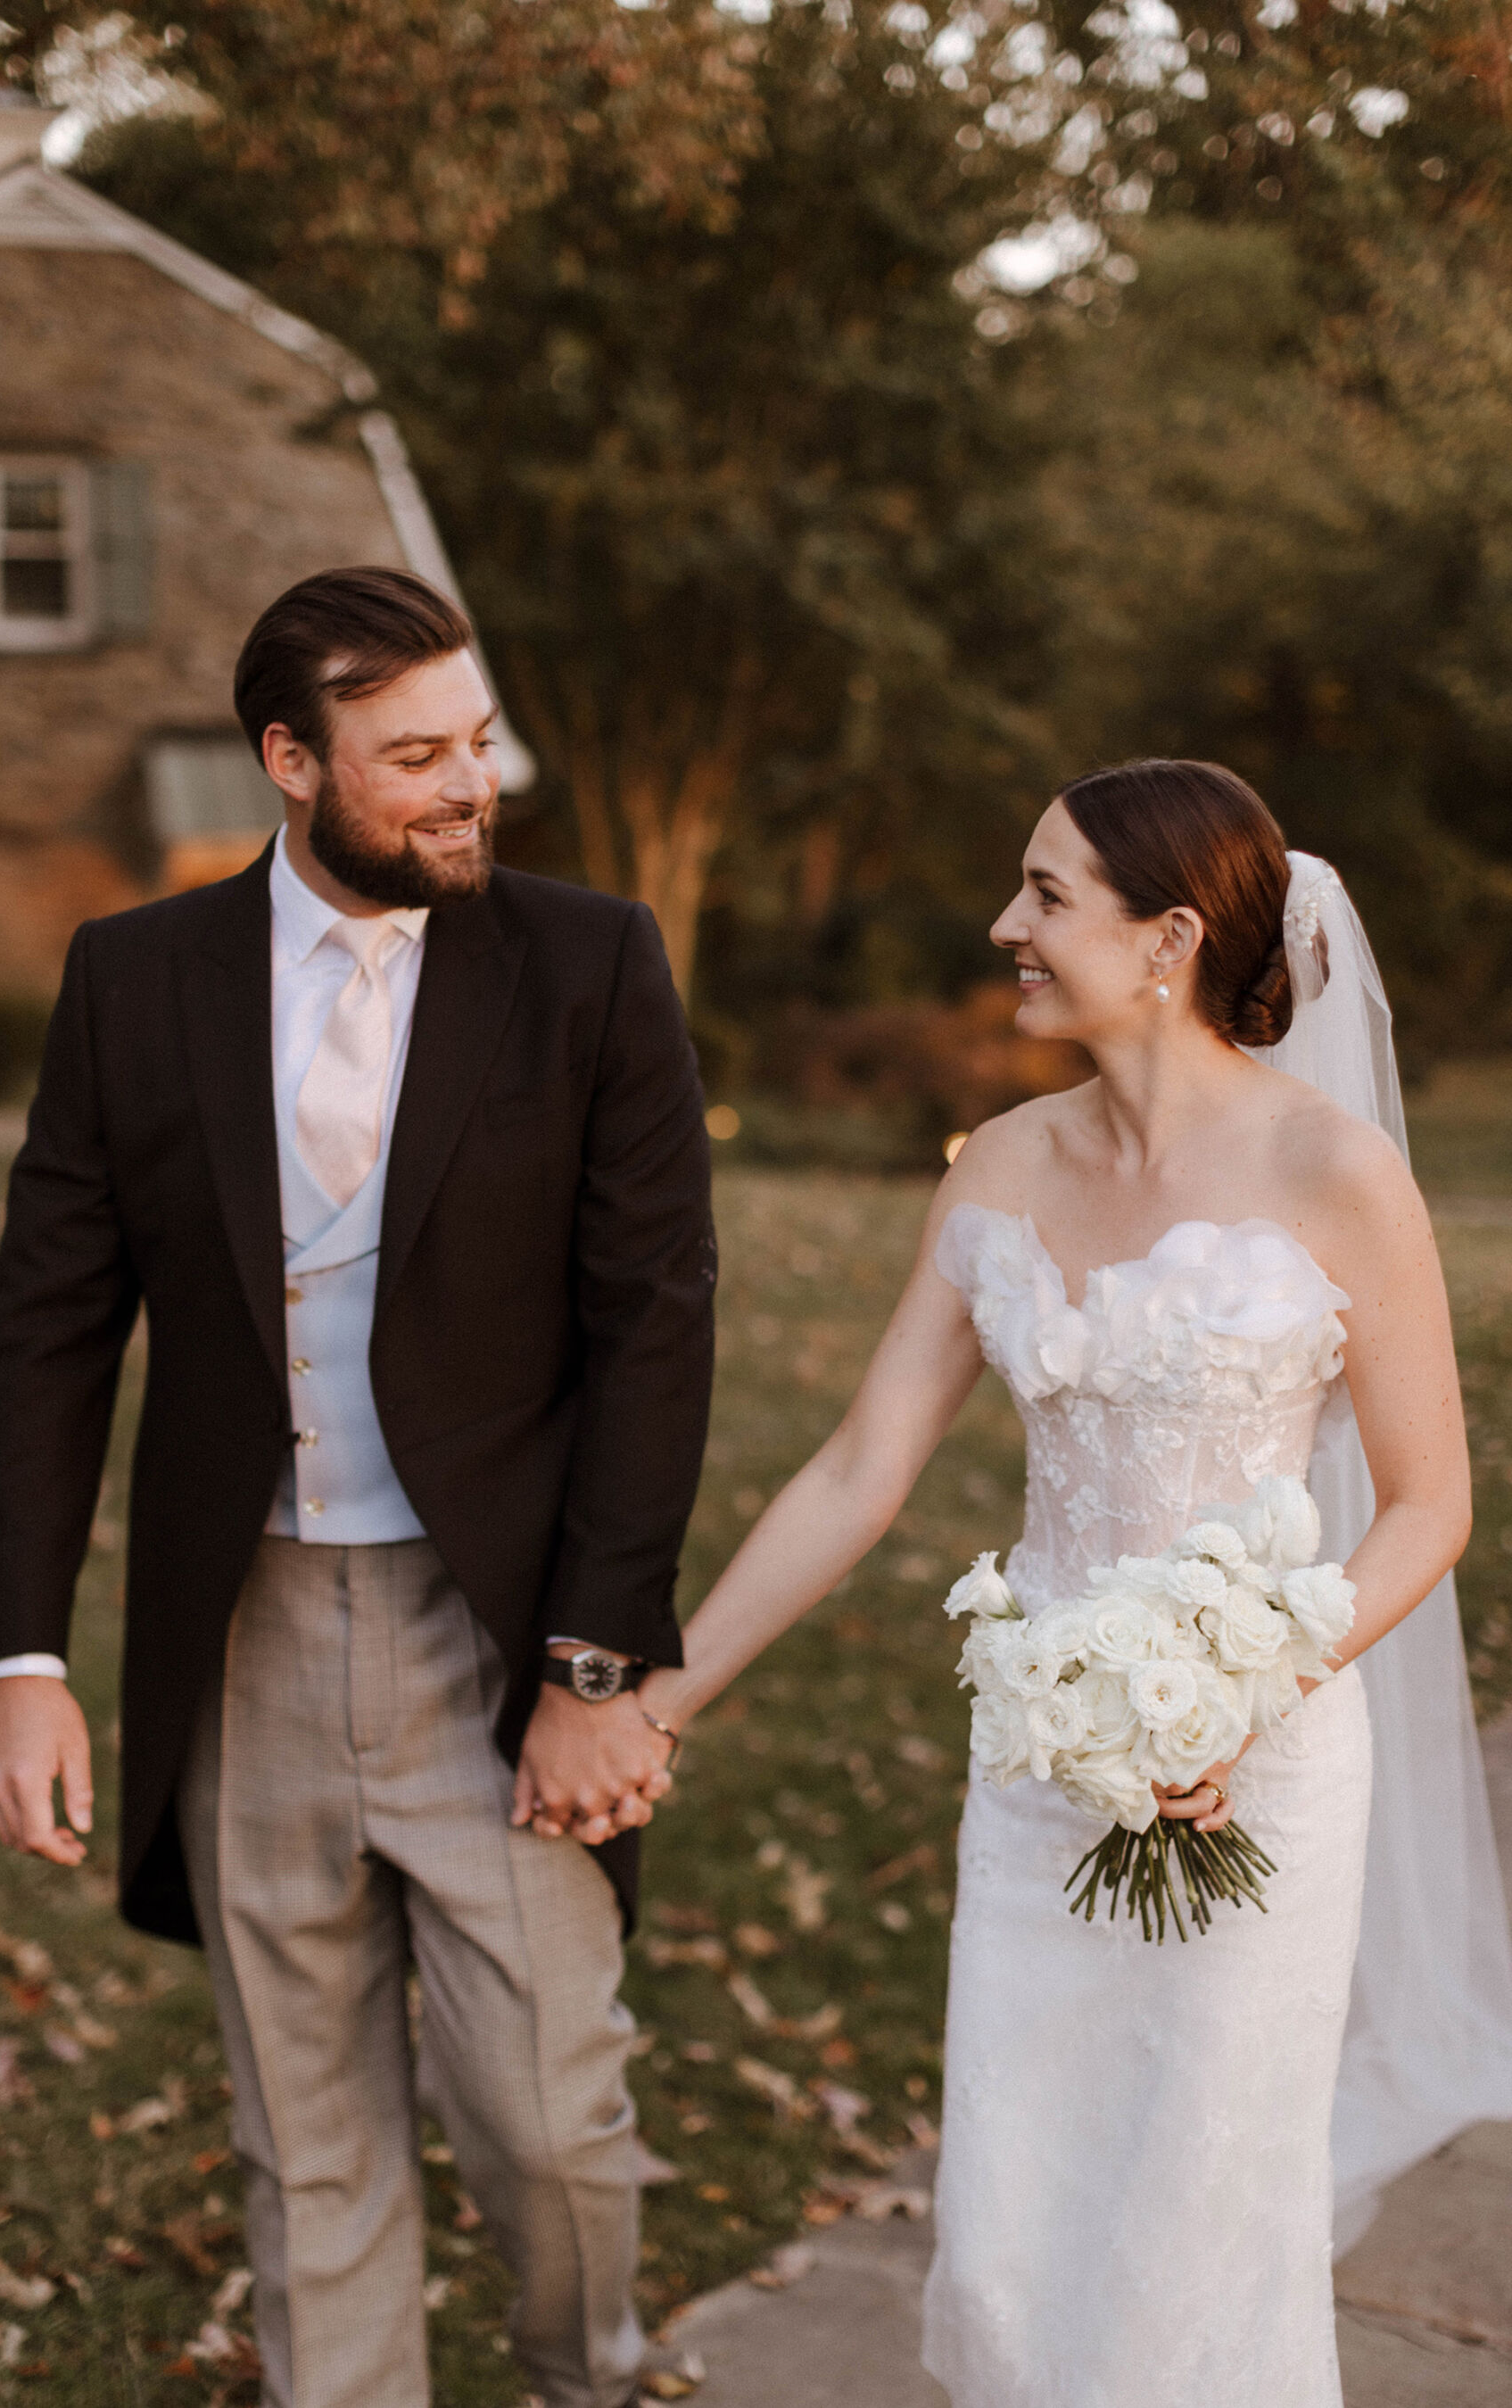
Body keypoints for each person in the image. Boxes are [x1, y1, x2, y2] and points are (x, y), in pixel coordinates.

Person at [630, 760, 1512, 2405]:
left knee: (1197, 2222)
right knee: (1018, 2225)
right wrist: (664, 1695)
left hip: (1255, 1777)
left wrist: (1251, 1689)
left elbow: (1428, 1507)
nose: (1004, 927)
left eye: (1045, 896)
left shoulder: (1338, 1173)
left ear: (1168, 935)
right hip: (1041, 1767)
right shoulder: (1002, 1167)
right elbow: (856, 1471)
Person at [0, 567, 699, 2408]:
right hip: (250, 1633)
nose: (470, 785)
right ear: (290, 762)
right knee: (309, 2152)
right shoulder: (133, 981)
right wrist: (23, 1661)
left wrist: (596, 1662)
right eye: (417, 758)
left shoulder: (589, 961)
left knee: (551, 2120)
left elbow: (657, 1326)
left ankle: (583, 2375)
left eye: (477, 743)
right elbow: (49, 1330)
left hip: (502, 1631)